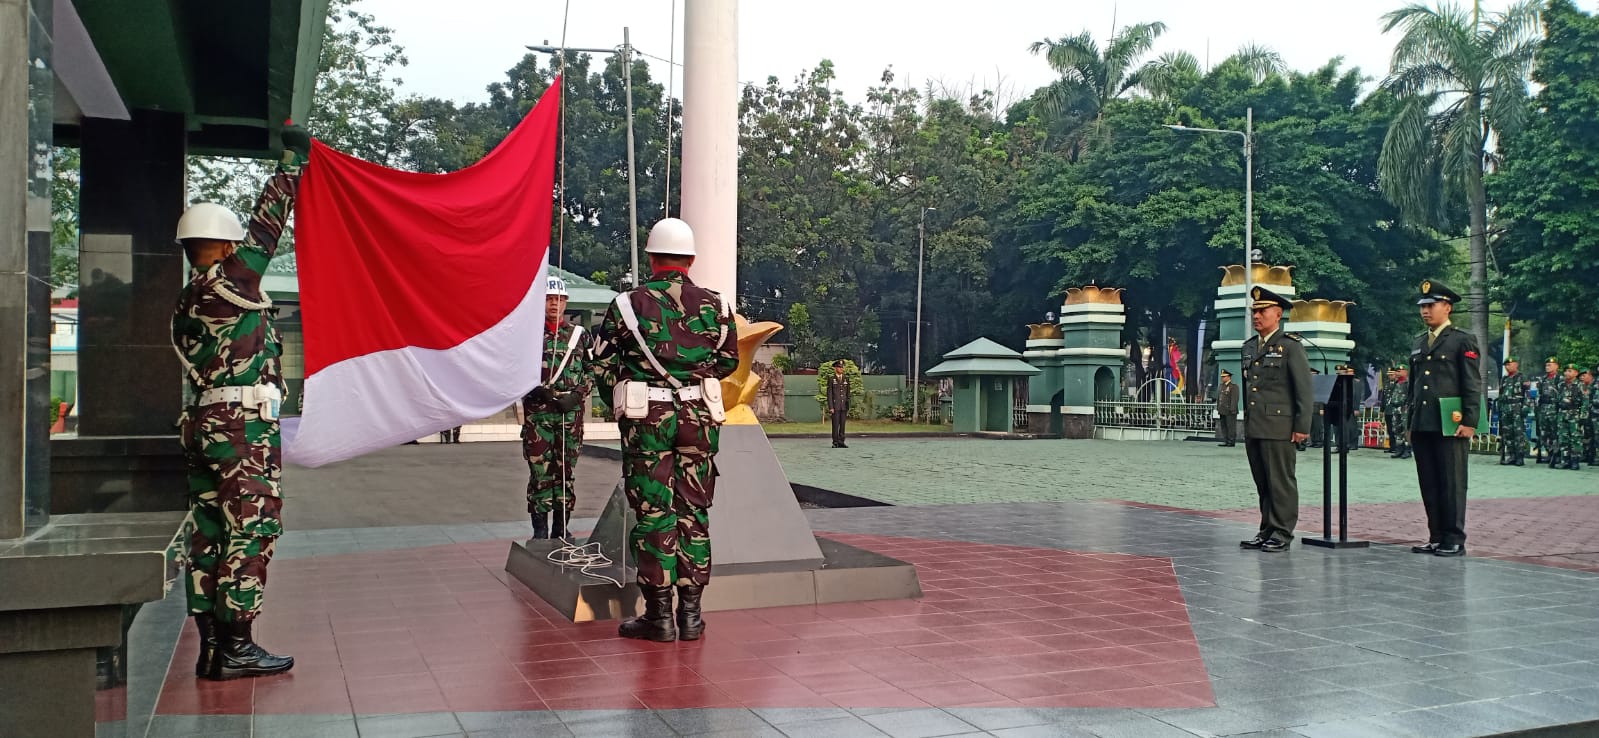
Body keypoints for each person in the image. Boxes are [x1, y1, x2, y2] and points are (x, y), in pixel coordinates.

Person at [171, 125, 309, 680]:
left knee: (207, 531)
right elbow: (268, 223)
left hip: (202, 422)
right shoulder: (233, 280)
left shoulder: (189, 298)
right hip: (239, 429)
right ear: (227, 246)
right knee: (252, 527)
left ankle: (211, 647)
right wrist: (291, 165)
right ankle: (237, 647)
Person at [592, 218, 738, 642]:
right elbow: (728, 362)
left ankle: (659, 618)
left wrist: (623, 394)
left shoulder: (626, 305)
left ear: (652, 257)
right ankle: (691, 616)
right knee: (693, 511)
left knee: (655, 513)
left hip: (648, 422)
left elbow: (601, 362)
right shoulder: (717, 305)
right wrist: (691, 377)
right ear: (691, 260)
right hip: (697, 418)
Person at [1405, 280, 1481, 557]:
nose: (1425, 311)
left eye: (1430, 305)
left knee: (1451, 481)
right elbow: (1413, 386)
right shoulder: (1419, 341)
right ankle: (1436, 535)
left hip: (1451, 422)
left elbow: (1471, 383)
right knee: (1429, 481)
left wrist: (1470, 421)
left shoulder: (1462, 340)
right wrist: (1410, 422)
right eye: (1422, 307)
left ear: (1447, 307)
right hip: (1424, 422)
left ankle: (1454, 537)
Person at [516, 275, 592, 539]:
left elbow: (592, 371)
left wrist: (577, 395)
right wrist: (535, 389)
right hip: (538, 416)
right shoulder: (528, 335)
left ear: (566, 303)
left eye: (559, 299)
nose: (554, 305)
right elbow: (514, 372)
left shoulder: (579, 335)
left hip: (569, 415)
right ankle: (539, 529)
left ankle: (561, 528)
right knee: (540, 472)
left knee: (565, 471)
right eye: (549, 299)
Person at [1239, 286, 1313, 553]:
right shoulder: (1249, 347)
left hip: (1280, 426)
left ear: (1278, 314)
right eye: (1254, 312)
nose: (1257, 316)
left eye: (1262, 311)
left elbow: (1303, 389)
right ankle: (1266, 529)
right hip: (1255, 425)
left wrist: (1302, 426)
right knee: (1263, 482)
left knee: (1280, 482)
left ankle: (1282, 531)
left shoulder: (1290, 346)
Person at [1497, 356, 1529, 466]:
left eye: (1509, 364)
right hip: (1506, 408)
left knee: (1518, 433)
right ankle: (1512, 455)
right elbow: (1501, 394)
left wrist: (1525, 408)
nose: (1507, 367)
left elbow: (1528, 394)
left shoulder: (1522, 377)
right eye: (1506, 365)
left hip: (1517, 407)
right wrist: (1499, 407)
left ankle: (1520, 456)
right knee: (1507, 433)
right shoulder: (1504, 379)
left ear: (1516, 364)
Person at [1556, 363, 1584, 471]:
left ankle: (1575, 461)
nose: (1567, 373)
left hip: (1574, 414)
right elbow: (1557, 399)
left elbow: (1585, 402)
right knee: (1563, 438)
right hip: (1562, 414)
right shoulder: (1561, 385)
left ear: (1576, 373)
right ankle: (1565, 460)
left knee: (1575, 439)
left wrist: (1582, 417)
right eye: (1566, 371)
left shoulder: (1581, 385)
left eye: (1570, 371)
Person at [1537, 357, 1562, 464]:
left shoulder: (1559, 379)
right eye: (1546, 365)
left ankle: (1557, 455)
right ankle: (1550, 453)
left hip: (1554, 409)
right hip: (1543, 409)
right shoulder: (1543, 379)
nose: (1548, 367)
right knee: (1544, 433)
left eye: (1550, 365)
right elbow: (1540, 393)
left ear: (1556, 366)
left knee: (1555, 433)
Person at [827, 361, 851, 448]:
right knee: (835, 424)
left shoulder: (846, 379)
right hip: (835, 406)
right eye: (839, 367)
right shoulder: (831, 379)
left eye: (842, 367)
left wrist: (848, 404)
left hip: (843, 406)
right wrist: (831, 407)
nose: (841, 369)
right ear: (836, 368)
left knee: (842, 424)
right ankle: (835, 442)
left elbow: (848, 393)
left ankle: (841, 441)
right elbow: (829, 394)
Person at [1389, 365, 1412, 459]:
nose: (1397, 373)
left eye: (1400, 371)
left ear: (1406, 372)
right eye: (1397, 371)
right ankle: (1399, 448)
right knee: (1397, 428)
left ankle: (1407, 449)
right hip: (1396, 408)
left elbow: (1411, 396)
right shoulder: (1397, 382)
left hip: (1405, 409)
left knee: (1406, 429)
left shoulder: (1409, 383)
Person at [1215, 369, 1239, 447]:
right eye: (1222, 377)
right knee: (1224, 426)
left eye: (1224, 377)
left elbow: (1234, 399)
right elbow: (1219, 398)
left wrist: (1233, 409)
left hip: (1230, 410)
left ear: (1229, 377)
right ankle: (1226, 440)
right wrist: (1218, 408)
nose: (1223, 378)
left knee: (1231, 426)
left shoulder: (1233, 386)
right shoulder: (1221, 386)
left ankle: (1231, 441)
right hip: (1222, 410)